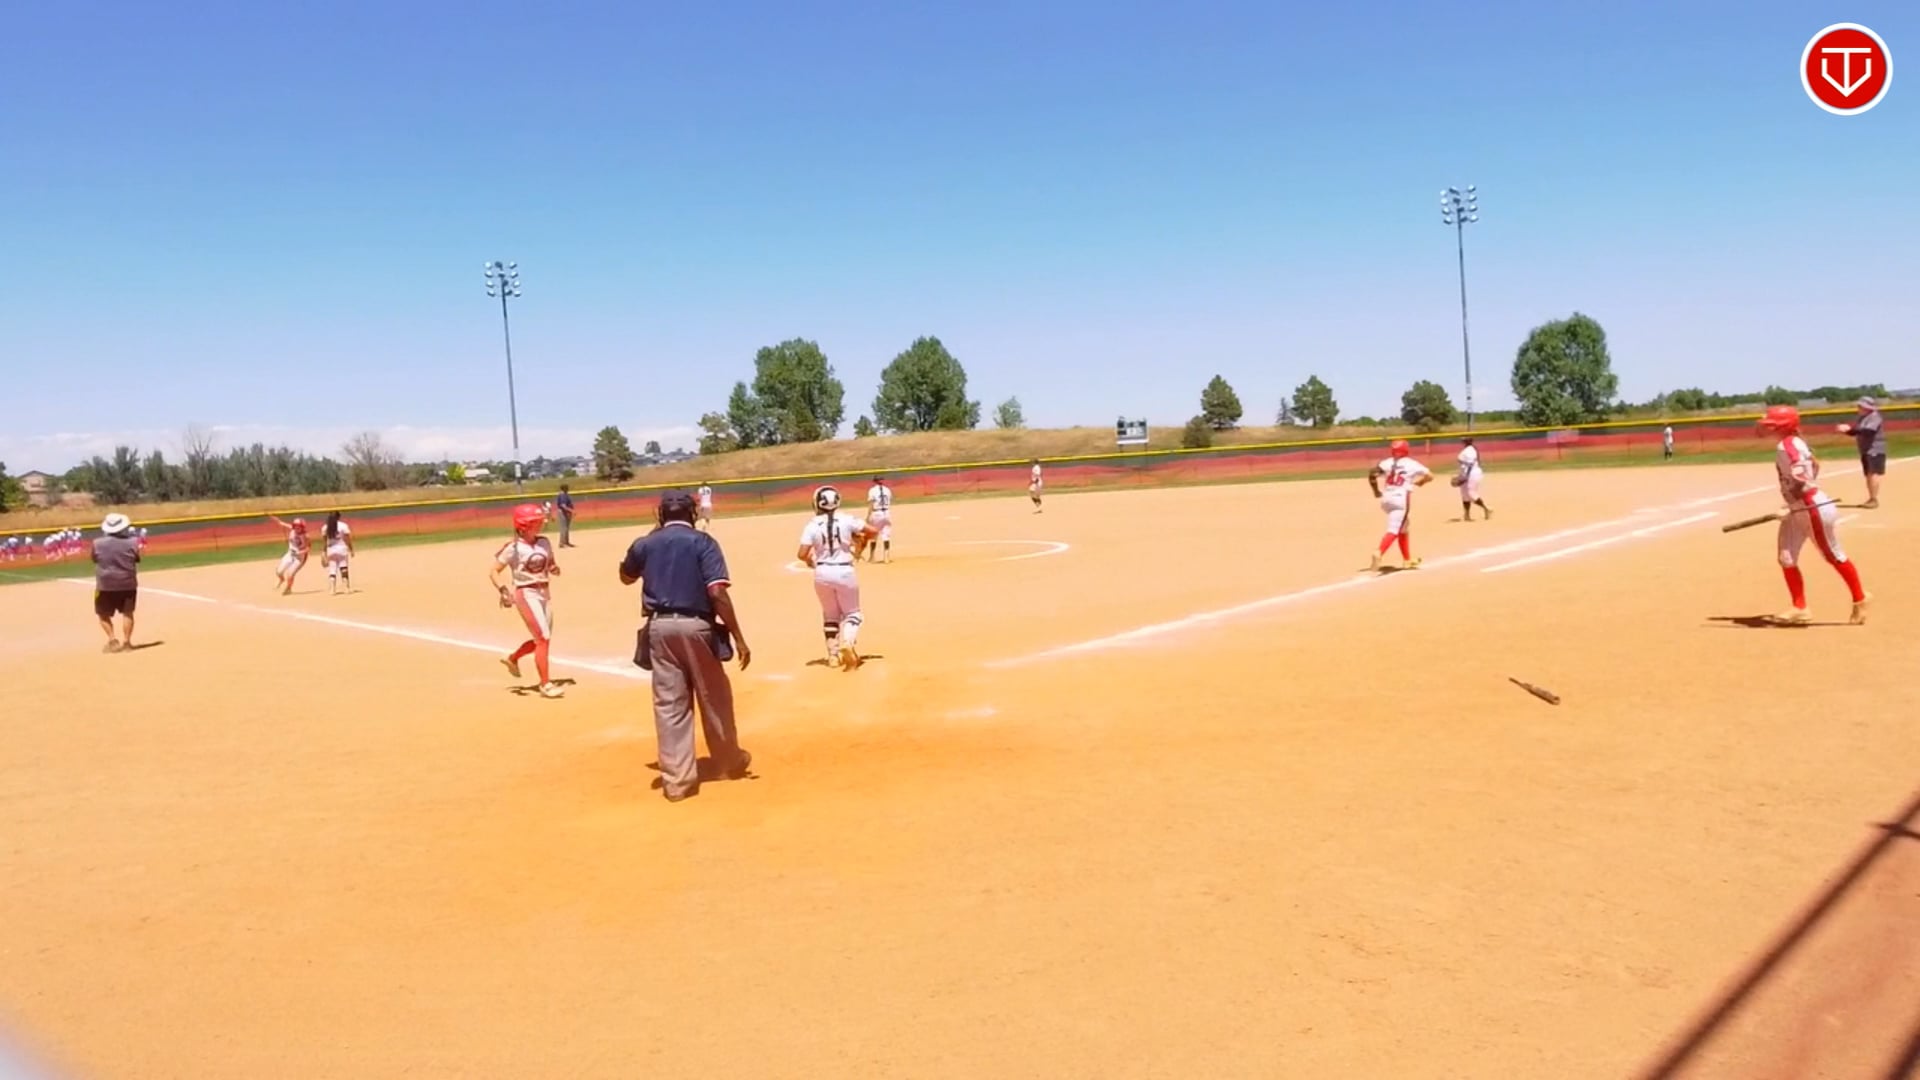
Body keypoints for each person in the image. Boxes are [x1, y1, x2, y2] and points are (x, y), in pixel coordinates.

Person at [618, 490, 753, 803]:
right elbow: (717, 592)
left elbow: (626, 576)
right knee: (714, 696)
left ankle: (677, 782)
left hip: (659, 628)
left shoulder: (644, 544)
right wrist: (738, 636)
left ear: (660, 514)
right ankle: (728, 762)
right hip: (696, 626)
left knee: (670, 705)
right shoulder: (703, 542)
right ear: (693, 514)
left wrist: (653, 536)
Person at [1760, 406, 1869, 625]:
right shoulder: (1794, 442)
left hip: (1811, 508)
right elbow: (1815, 466)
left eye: (1772, 424)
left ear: (1781, 426)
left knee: (1833, 555)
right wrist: (1791, 503)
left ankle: (1860, 599)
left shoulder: (1787, 446)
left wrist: (1791, 503)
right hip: (1798, 507)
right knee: (1786, 557)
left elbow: (1803, 480)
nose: (1768, 427)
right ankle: (1800, 608)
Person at [492, 504, 565, 699]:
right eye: (535, 522)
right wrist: (503, 590)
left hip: (544, 592)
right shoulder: (513, 548)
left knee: (541, 639)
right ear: (523, 526)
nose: (539, 525)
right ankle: (545, 684)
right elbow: (494, 571)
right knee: (543, 638)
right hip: (526, 593)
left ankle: (512, 658)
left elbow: (551, 564)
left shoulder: (544, 543)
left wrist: (554, 569)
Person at [799, 485, 875, 670]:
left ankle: (833, 656)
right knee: (853, 613)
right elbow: (872, 531)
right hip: (844, 570)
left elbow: (802, 553)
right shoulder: (847, 519)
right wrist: (861, 544)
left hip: (822, 573)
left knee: (830, 615)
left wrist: (810, 561)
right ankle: (848, 642)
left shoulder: (812, 524)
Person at [1367, 439, 1433, 571]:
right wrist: (1421, 482)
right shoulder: (1411, 463)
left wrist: (1376, 491)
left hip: (1386, 499)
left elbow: (1372, 474)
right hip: (1400, 498)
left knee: (1404, 526)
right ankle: (1379, 552)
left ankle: (1407, 560)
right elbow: (1430, 475)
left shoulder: (1386, 462)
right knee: (1394, 529)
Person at [91, 513, 141, 653]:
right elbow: (136, 558)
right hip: (128, 582)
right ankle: (127, 642)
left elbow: (94, 559)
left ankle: (112, 640)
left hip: (105, 584)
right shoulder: (133, 542)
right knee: (127, 613)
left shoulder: (97, 543)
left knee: (102, 613)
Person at [1837, 396, 1886, 509]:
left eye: (1860, 406)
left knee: (1872, 473)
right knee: (1868, 474)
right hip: (1865, 450)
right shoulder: (1862, 418)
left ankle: (1873, 499)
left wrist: (1849, 429)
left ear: (1867, 407)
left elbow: (1868, 431)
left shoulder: (1874, 416)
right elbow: (1856, 432)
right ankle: (1871, 498)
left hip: (1875, 449)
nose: (1858, 408)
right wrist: (1846, 431)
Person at [268, 515, 311, 594]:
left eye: (300, 526)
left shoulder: (306, 536)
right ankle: (281, 579)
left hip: (299, 557)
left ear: (302, 527)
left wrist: (300, 552)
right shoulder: (292, 529)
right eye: (296, 526)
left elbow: (308, 548)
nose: (298, 528)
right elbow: (282, 524)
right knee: (279, 571)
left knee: (290, 574)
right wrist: (276, 520)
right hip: (290, 554)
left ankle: (288, 588)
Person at [1455, 437, 1492, 521]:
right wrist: (1461, 475)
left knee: (1471, 494)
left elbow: (1470, 465)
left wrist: (1466, 476)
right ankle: (1467, 515)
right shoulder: (1467, 450)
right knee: (1464, 495)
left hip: (1472, 474)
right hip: (1466, 474)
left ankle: (1486, 508)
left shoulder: (1470, 451)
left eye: (1464, 440)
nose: (1463, 441)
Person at [322, 511, 355, 594]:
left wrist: (324, 552)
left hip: (331, 550)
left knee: (332, 569)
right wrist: (351, 549)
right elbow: (347, 539)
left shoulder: (325, 527)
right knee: (343, 567)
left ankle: (332, 589)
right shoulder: (343, 526)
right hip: (342, 549)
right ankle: (346, 588)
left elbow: (325, 541)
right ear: (338, 517)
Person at [864, 475, 894, 563]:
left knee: (873, 534)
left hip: (876, 513)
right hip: (886, 513)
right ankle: (886, 557)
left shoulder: (872, 490)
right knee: (886, 535)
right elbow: (889, 500)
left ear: (874, 481)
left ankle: (872, 557)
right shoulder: (887, 490)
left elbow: (871, 504)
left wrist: (868, 516)